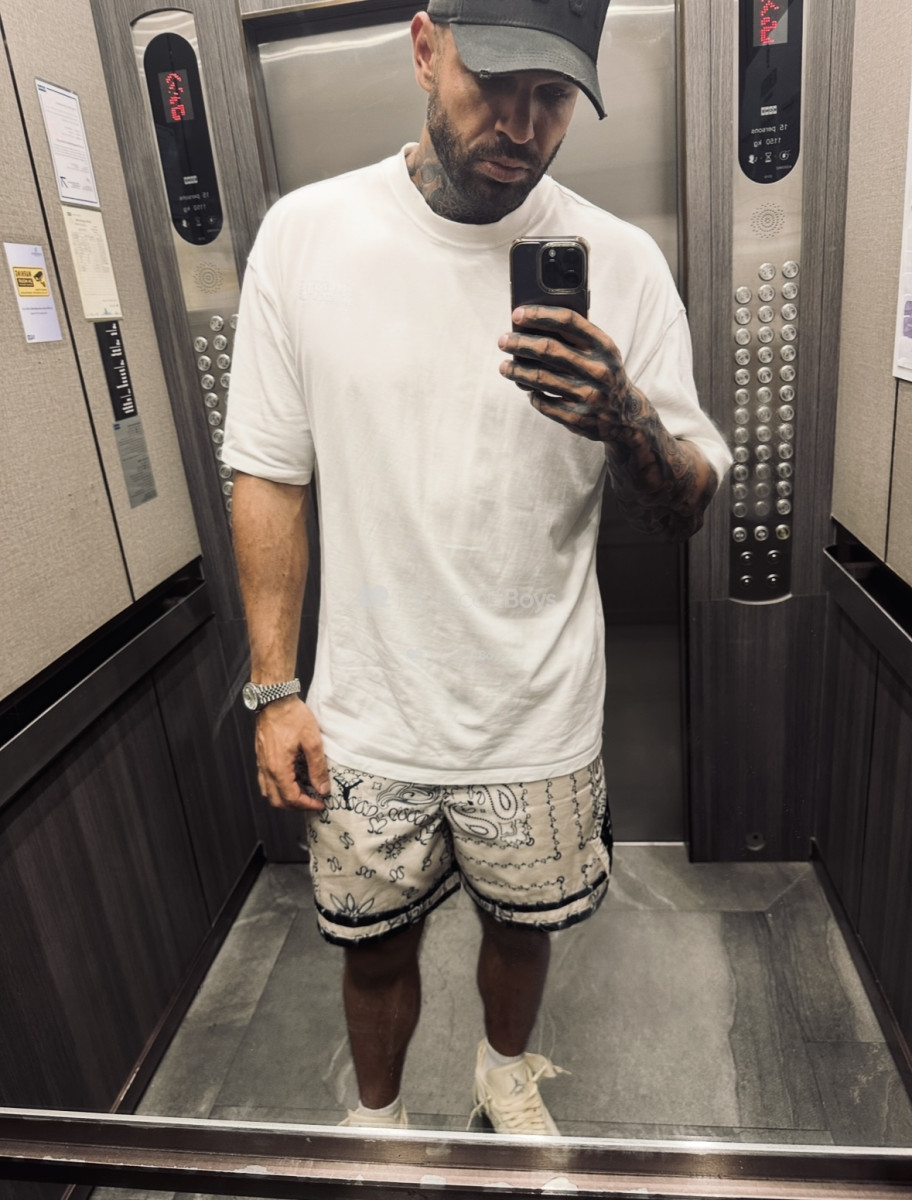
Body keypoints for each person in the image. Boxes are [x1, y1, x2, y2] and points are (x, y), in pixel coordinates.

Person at [222, 0, 731, 1136]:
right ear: (424, 49)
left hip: (538, 711)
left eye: (553, 96)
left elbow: (689, 503)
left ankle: (504, 1076)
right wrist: (273, 687)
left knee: (522, 927)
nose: (521, 123)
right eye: (493, 82)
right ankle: (379, 1125)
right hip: (368, 715)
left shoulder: (623, 261)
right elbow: (269, 474)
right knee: (373, 949)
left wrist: (624, 416)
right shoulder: (307, 237)